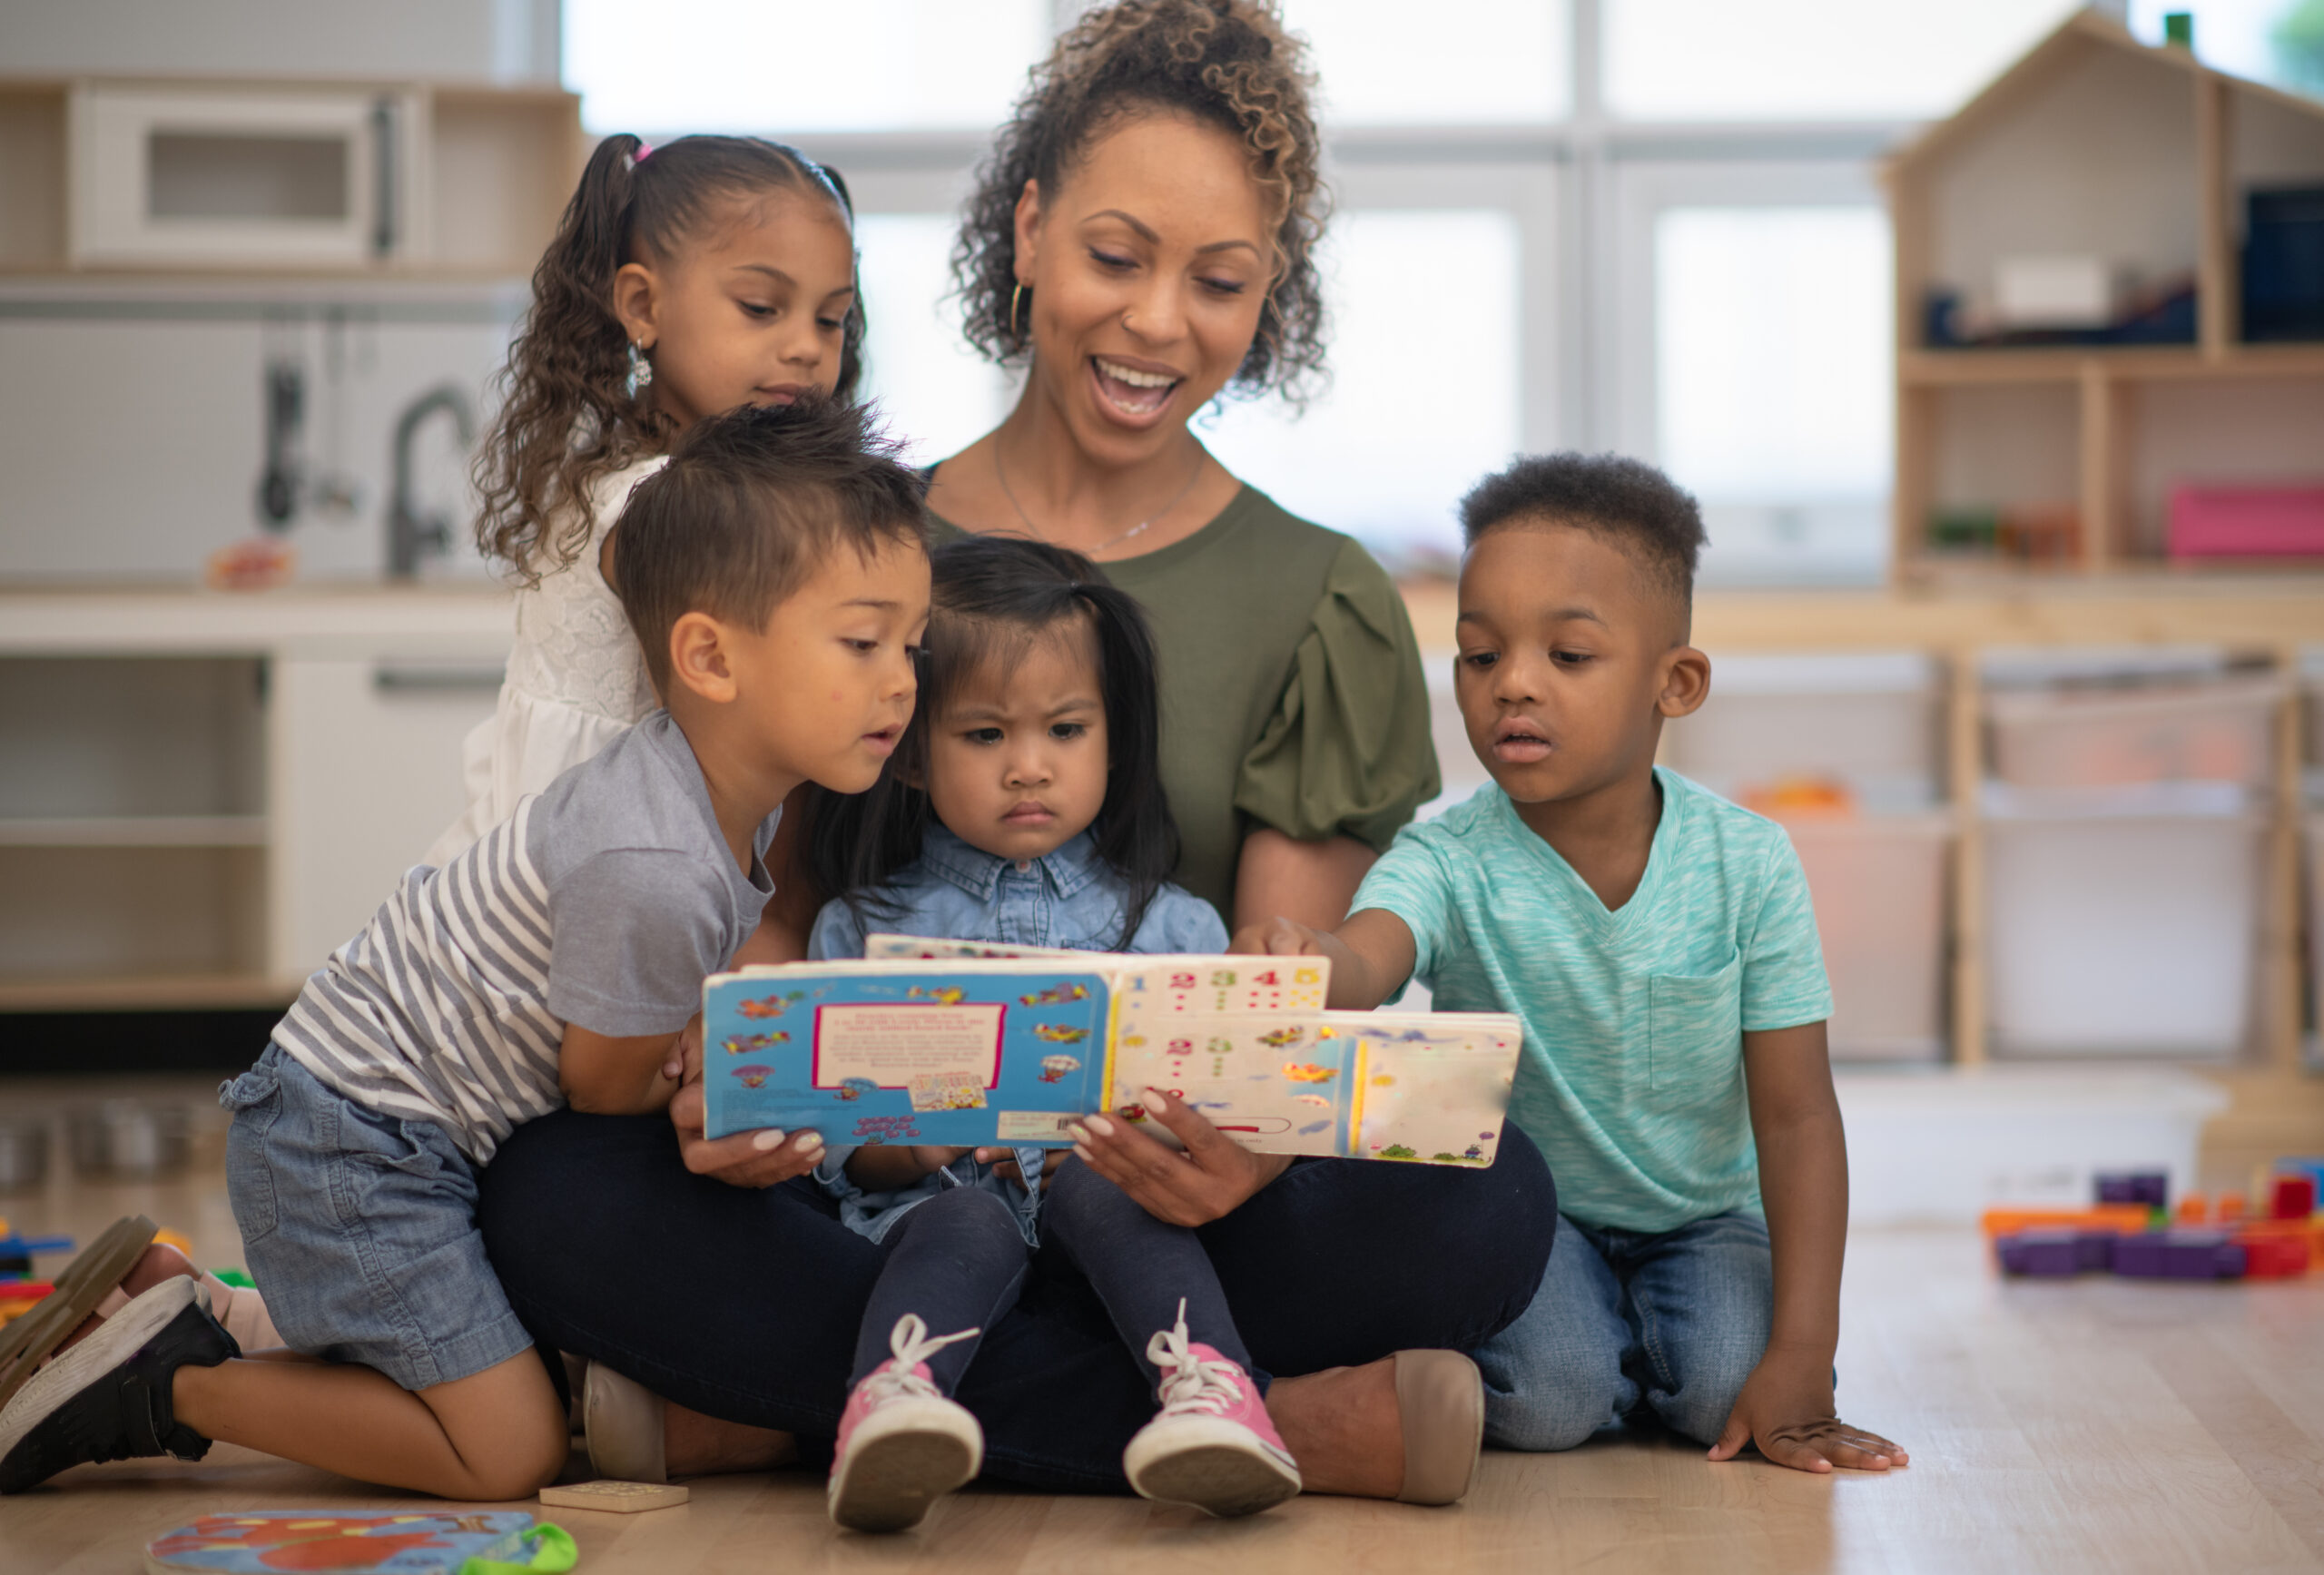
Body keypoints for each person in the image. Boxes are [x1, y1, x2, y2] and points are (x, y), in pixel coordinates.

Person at [0, 400, 930, 1498]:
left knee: (488, 1378)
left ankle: (188, 1302)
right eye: (863, 642)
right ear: (710, 657)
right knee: (508, 1451)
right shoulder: (660, 860)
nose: (903, 679)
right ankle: (169, 1383)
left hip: (364, 1127)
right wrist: (716, 1077)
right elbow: (599, 1086)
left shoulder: (715, 795)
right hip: (350, 1151)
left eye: (911, 643)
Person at [1235, 454, 1912, 1475]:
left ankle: (1642, 1350)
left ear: (1672, 684)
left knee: (1732, 1390)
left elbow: (1797, 1114)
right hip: (1527, 1219)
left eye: (1568, 655)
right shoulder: (1446, 856)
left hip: (1700, 1217)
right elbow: (1369, 954)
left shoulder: (1750, 862)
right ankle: (1595, 1354)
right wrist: (1309, 959)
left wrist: (1805, 1355)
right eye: (1478, 654)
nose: (1512, 682)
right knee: (1552, 1401)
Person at [808, 536, 1482, 1530]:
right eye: (984, 736)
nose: (1029, 767)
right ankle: (894, 1405)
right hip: (942, 1219)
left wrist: (1177, 1137)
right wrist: (910, 1142)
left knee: (1108, 1186)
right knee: (966, 1220)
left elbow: (1231, 1114)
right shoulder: (857, 932)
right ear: (911, 753)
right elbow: (833, 1156)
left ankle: (1214, 1397)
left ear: (1113, 739)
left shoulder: (1178, 929)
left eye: (1066, 730)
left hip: (1118, 1231)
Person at [913, 0, 1439, 937]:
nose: (1159, 321)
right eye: (1116, 258)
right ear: (1031, 231)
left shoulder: (1321, 608)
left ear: (1267, 289)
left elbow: (1271, 1021)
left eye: (1219, 282)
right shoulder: (861, 548)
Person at [421, 132, 866, 868]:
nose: (806, 347)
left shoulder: (651, 470)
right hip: (574, 873)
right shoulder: (652, 500)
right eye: (761, 307)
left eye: (831, 318)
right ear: (641, 305)